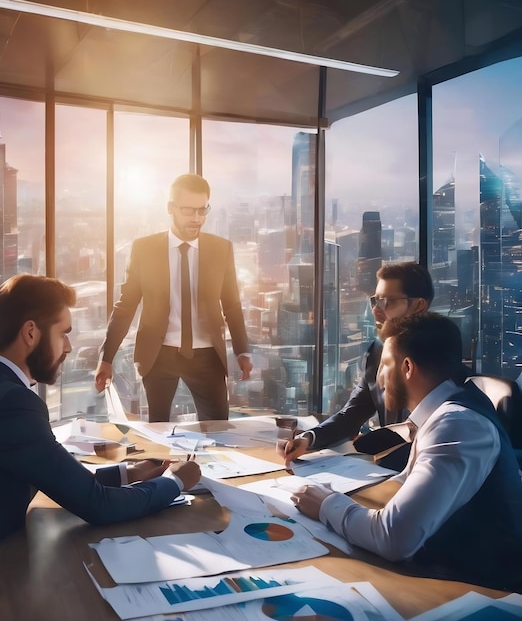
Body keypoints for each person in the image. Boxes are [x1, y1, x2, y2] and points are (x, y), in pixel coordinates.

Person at [0, 274, 201, 575]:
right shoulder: (11, 403)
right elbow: (98, 506)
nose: (69, 346)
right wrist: (175, 481)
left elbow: (50, 476)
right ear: (31, 332)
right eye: (63, 333)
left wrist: (127, 472)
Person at [291, 312, 522, 592]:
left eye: (385, 365)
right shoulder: (445, 413)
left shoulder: (457, 425)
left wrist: (327, 504)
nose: (379, 378)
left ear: (408, 367)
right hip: (445, 568)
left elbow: (394, 538)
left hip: (475, 588)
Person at [94, 173, 253, 422]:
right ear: (171, 208)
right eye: (189, 210)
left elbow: (231, 304)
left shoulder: (221, 249)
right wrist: (107, 358)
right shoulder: (144, 249)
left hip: (207, 355)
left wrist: (243, 351)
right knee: (159, 431)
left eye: (203, 210)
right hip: (158, 355)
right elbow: (126, 306)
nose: (197, 218)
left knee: (218, 429)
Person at [279, 262, 433, 466]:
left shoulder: (437, 359)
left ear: (419, 305)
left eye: (387, 302)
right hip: (382, 470)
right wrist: (308, 439)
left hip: (419, 471)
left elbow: (428, 436)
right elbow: (351, 415)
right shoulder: (377, 351)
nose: (376, 311)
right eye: (375, 301)